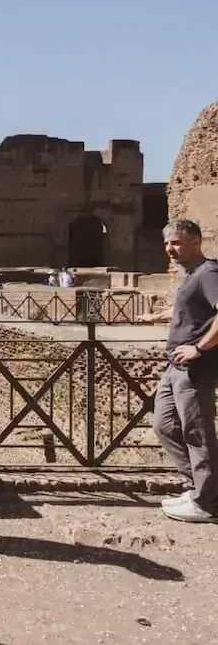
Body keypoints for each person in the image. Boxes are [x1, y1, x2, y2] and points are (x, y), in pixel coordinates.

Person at [136, 219, 218, 523]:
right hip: (176, 366)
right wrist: (157, 315)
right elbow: (191, 309)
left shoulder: (208, 273)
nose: (171, 249)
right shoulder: (192, 274)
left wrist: (199, 349)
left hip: (195, 367)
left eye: (177, 242)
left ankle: (209, 503)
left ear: (196, 241)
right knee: (164, 425)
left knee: (197, 432)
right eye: (168, 243)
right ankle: (198, 488)